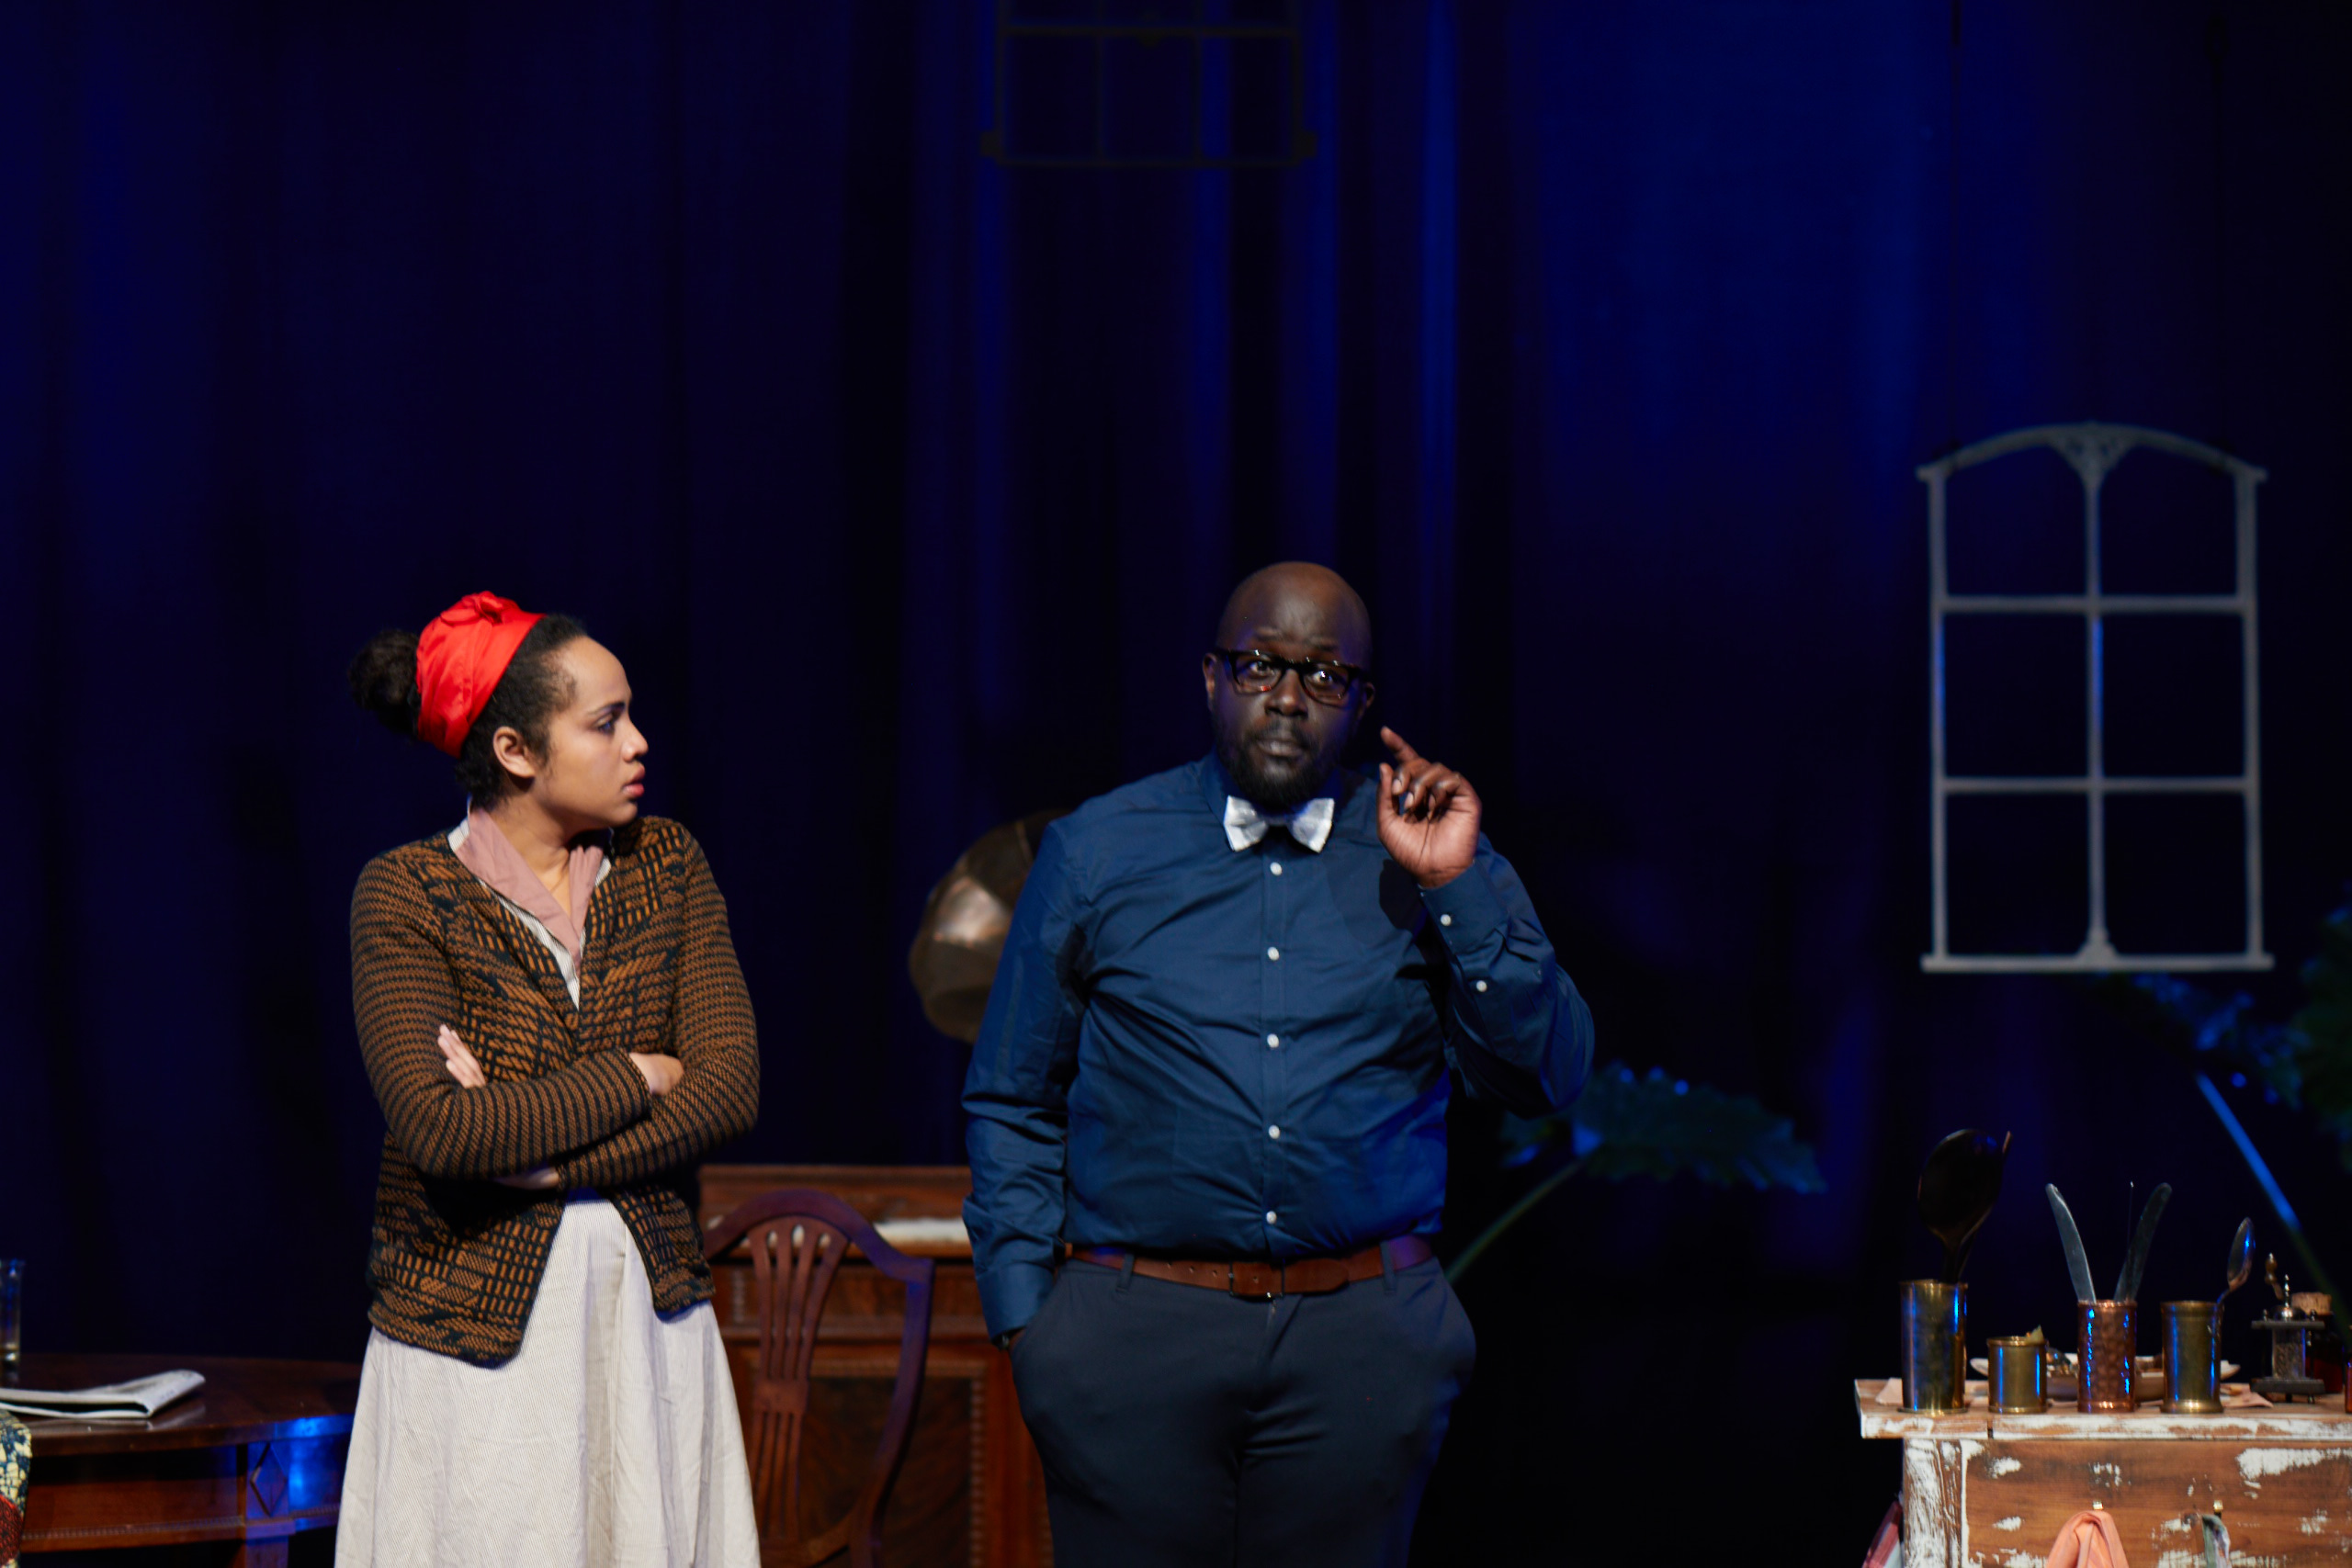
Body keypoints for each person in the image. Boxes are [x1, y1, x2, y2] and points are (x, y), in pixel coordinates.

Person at [963, 561, 1595, 1567]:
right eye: (1261, 665)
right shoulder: (1096, 852)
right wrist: (1029, 1325)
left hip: (1359, 1345)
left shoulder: (1430, 855)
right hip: (1132, 1339)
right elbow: (1011, 1097)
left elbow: (1547, 1075)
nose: (1290, 698)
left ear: (1363, 703)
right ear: (1211, 678)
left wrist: (1457, 891)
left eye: (1325, 675)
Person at [339, 592, 760, 1567]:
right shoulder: (409, 895)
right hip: (474, 1352)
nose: (638, 743)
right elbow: (443, 1134)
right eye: (605, 723)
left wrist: (544, 1159)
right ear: (518, 753)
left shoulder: (666, 868)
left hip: (646, 1334)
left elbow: (730, 1085)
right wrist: (637, 1073)